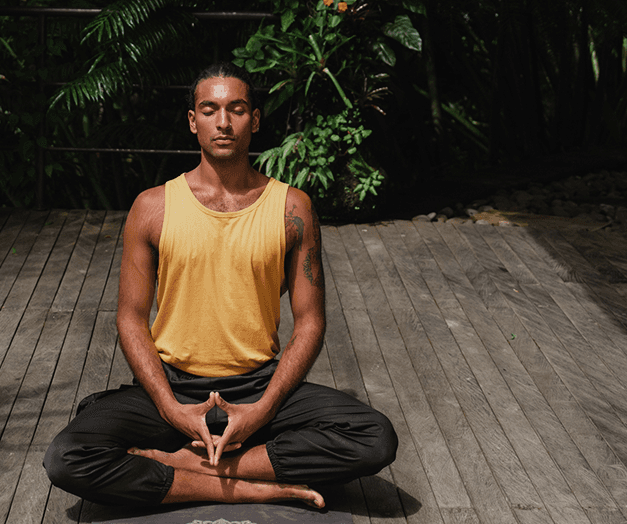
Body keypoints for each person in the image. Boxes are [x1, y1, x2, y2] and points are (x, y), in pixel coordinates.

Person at [44, 62, 397, 508]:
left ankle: (190, 467)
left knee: (374, 437)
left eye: (237, 109)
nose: (224, 122)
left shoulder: (292, 208)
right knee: (67, 457)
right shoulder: (152, 207)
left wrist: (263, 409)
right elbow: (130, 318)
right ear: (193, 122)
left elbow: (310, 321)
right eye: (210, 110)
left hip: (257, 386)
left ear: (256, 119)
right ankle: (253, 487)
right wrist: (170, 407)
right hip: (172, 387)